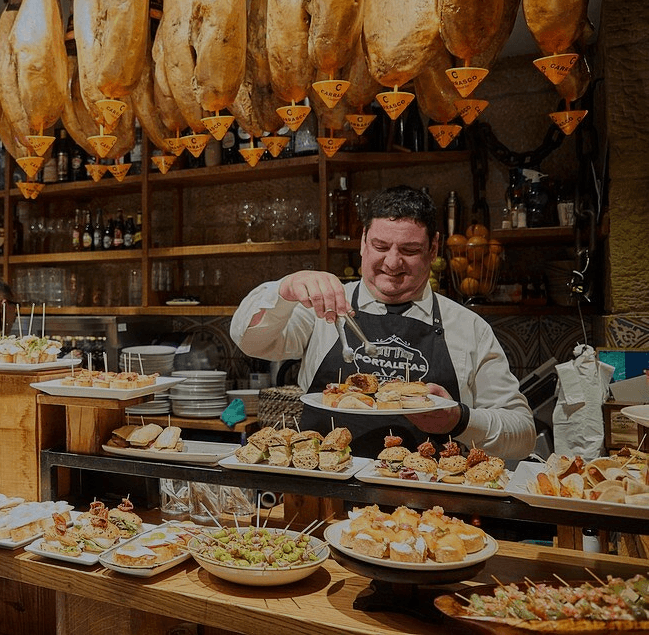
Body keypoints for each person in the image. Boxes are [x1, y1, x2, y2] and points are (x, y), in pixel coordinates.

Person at [230, 185, 536, 461]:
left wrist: (461, 419)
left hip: (433, 507)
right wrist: (285, 288)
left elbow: (523, 436)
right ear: (363, 241)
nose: (392, 263)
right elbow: (251, 342)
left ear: (433, 248)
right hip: (325, 496)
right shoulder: (322, 309)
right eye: (380, 246)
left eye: (409, 250)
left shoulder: (469, 328)